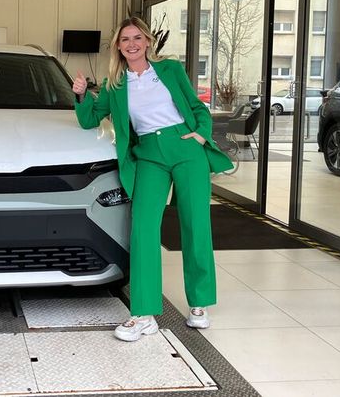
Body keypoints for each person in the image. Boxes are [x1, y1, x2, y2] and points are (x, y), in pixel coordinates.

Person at [72, 17, 233, 342]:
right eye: (125, 39)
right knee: (143, 230)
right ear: (118, 46)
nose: (131, 44)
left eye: (137, 38)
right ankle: (143, 315)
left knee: (195, 225)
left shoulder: (170, 70)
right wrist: (80, 95)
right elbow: (89, 119)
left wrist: (200, 136)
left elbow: (196, 108)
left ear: (147, 42)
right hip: (148, 155)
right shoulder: (114, 85)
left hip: (186, 149)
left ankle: (200, 304)